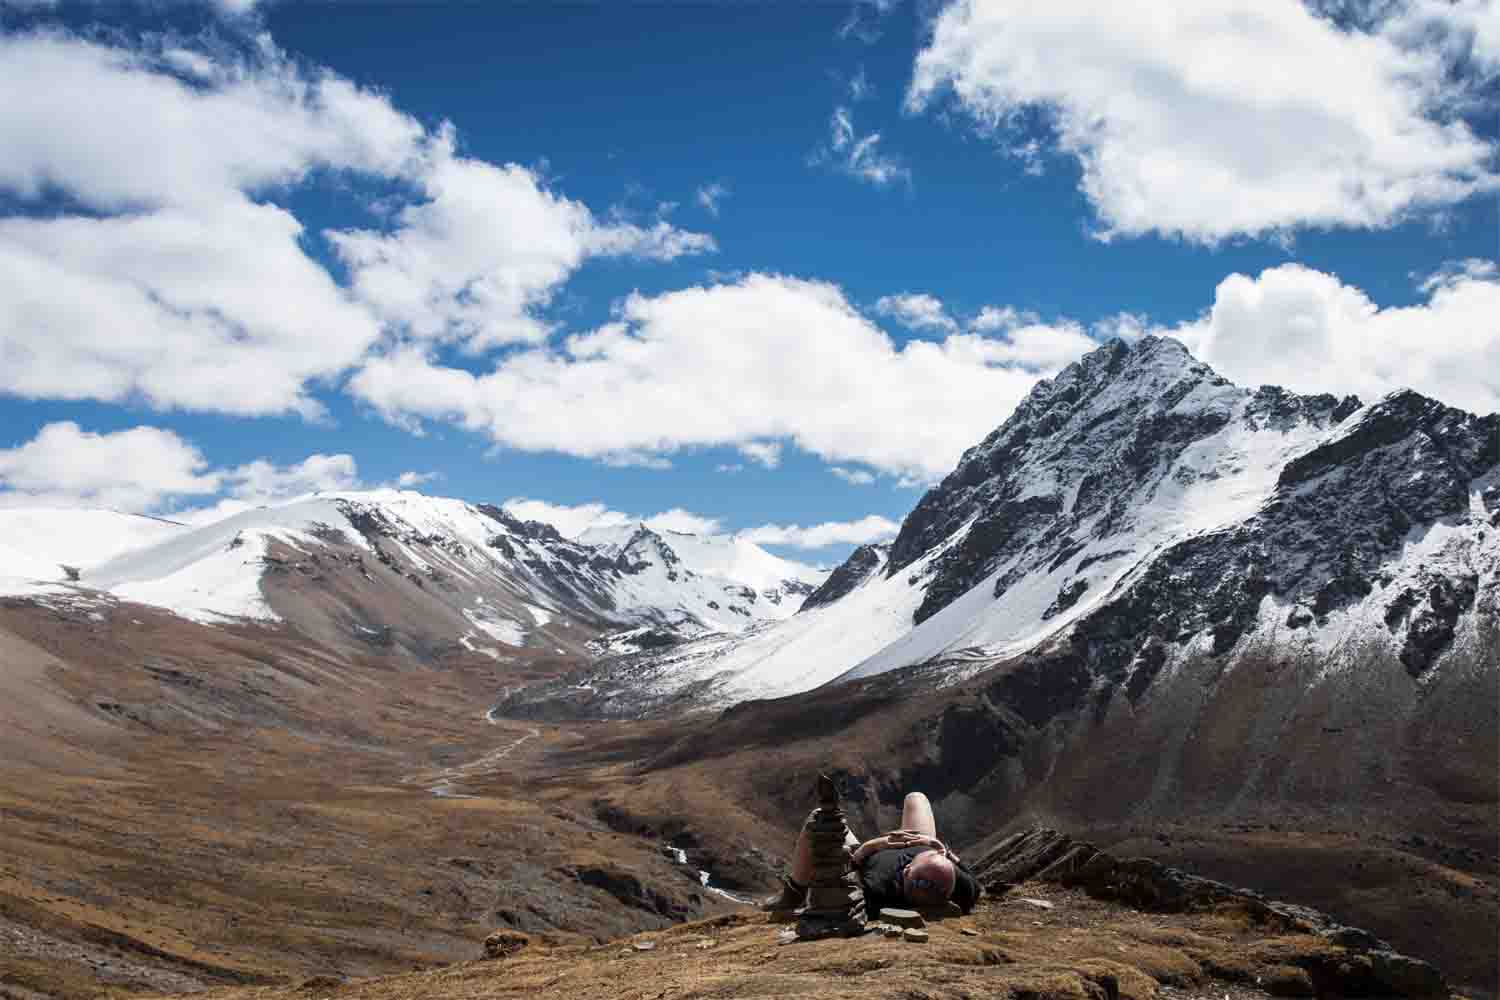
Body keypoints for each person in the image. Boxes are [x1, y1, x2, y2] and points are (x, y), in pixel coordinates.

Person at [762, 791, 979, 914]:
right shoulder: (959, 888)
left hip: (867, 855)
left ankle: (792, 895)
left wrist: (869, 847)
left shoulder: (876, 891)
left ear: (906, 871)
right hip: (920, 841)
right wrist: (940, 848)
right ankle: (927, 846)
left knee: (818, 818)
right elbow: (975, 885)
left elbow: (839, 877)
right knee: (916, 798)